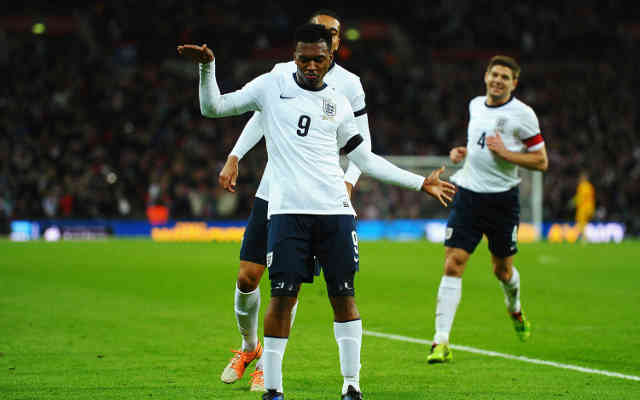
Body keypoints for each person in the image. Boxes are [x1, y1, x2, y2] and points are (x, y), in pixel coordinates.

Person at [178, 23, 456, 400]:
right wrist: (207, 68)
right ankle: (272, 388)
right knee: (281, 295)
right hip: (287, 212)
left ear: (331, 58)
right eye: (303, 58)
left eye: (318, 59)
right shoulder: (271, 86)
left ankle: (351, 386)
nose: (310, 65)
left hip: (336, 213)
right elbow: (213, 108)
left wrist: (419, 182)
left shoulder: (339, 103)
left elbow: (365, 159)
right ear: (294, 55)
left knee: (343, 296)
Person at [212, 10, 373, 393]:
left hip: (321, 199)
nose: (328, 38)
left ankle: (270, 369)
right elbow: (262, 116)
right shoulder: (283, 72)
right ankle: (249, 349)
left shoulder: (349, 86)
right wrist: (236, 154)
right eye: (322, 32)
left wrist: (348, 182)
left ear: (337, 43)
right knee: (247, 277)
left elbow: (362, 144)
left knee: (289, 287)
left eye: (333, 34)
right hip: (276, 192)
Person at [426, 55, 548, 364]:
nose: (498, 81)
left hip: (502, 201)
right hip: (468, 194)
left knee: (502, 270)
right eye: (494, 74)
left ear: (514, 83)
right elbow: (480, 145)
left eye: (505, 77)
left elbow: (541, 161)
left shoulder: (524, 115)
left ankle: (515, 308)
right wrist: (463, 153)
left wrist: (506, 153)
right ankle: (440, 341)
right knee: (453, 263)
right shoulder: (475, 105)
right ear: (486, 76)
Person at [572, 170, 595, 242]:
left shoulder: (582, 186)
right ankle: (584, 237)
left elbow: (580, 198)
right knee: (584, 224)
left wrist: (573, 202)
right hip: (590, 207)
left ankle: (584, 238)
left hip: (583, 208)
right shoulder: (590, 186)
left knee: (581, 223)